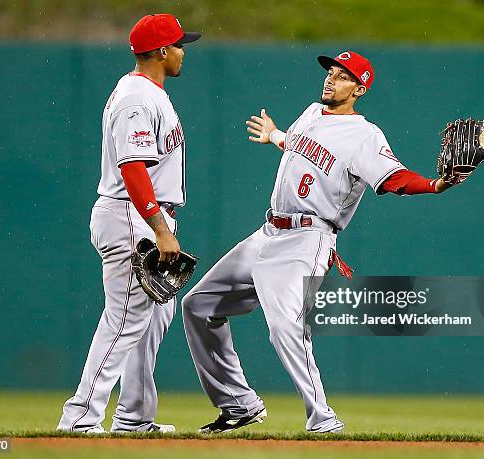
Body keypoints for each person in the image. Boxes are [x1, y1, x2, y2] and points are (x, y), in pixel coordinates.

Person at [182, 50, 455, 433]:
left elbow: (394, 179)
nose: (331, 78)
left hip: (308, 239)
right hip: (269, 232)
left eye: (343, 76)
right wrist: (275, 135)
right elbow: (297, 146)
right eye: (331, 71)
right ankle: (239, 404)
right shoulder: (312, 112)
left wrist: (435, 184)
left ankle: (322, 418)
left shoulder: (365, 135)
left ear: (360, 89)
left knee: (285, 326)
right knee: (198, 305)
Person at [57, 13, 201, 434]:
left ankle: (134, 416)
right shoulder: (137, 97)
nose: (182, 51)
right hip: (131, 215)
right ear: (160, 51)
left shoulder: (148, 91)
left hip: (140, 214)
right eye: (177, 45)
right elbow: (133, 167)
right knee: (124, 319)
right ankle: (80, 417)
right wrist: (159, 228)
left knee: (153, 317)